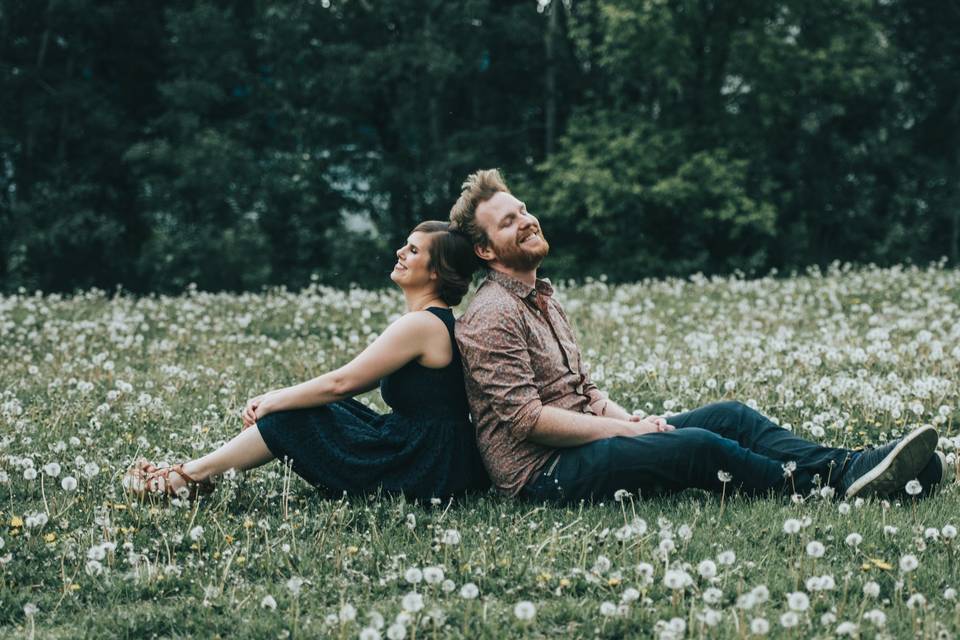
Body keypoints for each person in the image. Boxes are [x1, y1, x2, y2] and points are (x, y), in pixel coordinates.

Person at [449, 169, 946, 504]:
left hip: (586, 440)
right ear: (485, 251)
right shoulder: (492, 314)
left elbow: (584, 392)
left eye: (523, 210)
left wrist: (636, 419)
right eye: (508, 221)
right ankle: (831, 485)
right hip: (544, 473)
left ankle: (855, 466)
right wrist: (632, 433)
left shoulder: (543, 295)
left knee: (728, 415)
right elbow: (529, 421)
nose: (527, 221)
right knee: (698, 447)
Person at [124, 221, 490, 501]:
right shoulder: (433, 320)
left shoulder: (422, 324)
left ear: (435, 271)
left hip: (423, 465)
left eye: (412, 251)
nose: (399, 252)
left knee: (293, 415)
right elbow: (350, 387)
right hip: (431, 453)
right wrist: (282, 396)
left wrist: (273, 401)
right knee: (322, 409)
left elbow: (341, 383)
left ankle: (187, 478)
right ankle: (193, 475)